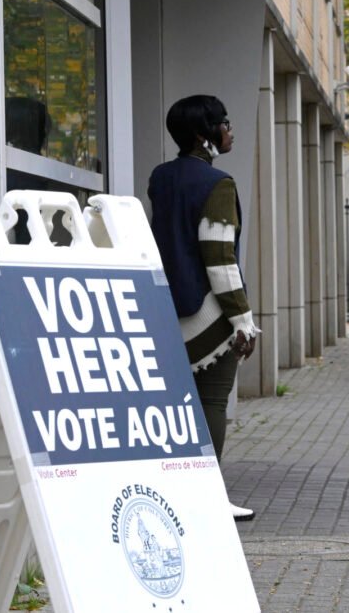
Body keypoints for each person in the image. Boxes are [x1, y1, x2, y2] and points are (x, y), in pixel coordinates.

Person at [147, 95, 261, 522]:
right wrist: (244, 321)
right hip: (210, 312)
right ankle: (208, 497)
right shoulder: (219, 183)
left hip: (166, 306)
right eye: (224, 123)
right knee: (212, 401)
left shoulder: (160, 177)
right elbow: (219, 257)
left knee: (180, 405)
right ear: (204, 134)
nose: (230, 130)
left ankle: (180, 493)